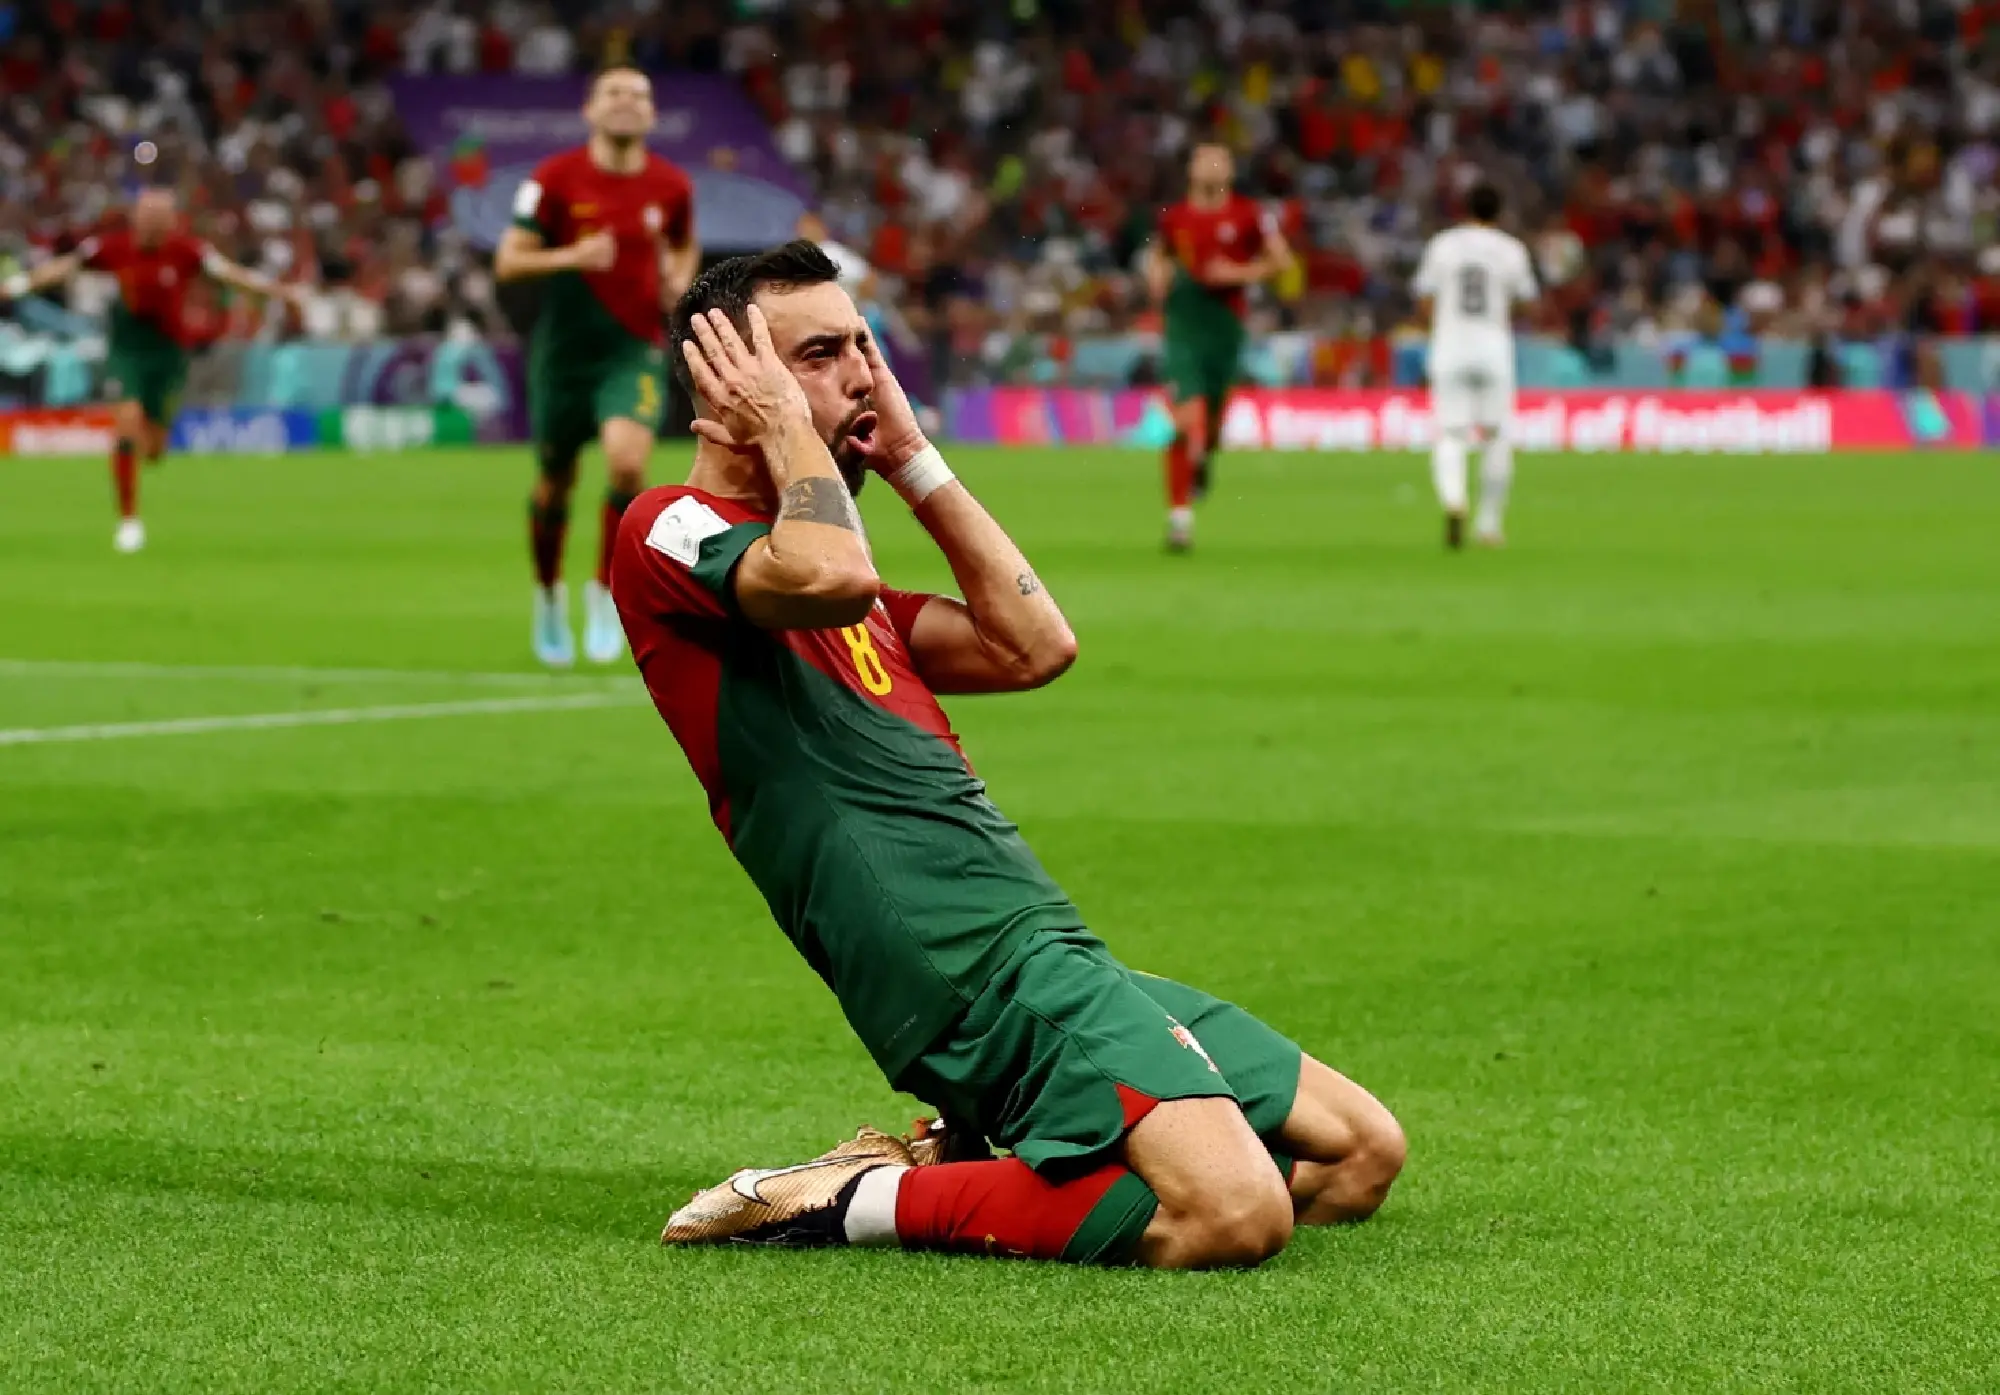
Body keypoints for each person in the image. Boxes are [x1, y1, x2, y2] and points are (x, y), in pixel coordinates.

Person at [610, 241, 1405, 1270]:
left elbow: (1035, 645)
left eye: (864, 346)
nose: (862, 372)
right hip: (953, 962)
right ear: (725, 387)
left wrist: (911, 460)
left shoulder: (849, 592)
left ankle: (988, 1156)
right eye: (817, 354)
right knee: (1230, 1213)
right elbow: (829, 567)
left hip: (1042, 946)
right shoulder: (667, 529)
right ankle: (858, 1199)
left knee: (1357, 1157)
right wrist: (779, 431)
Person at [495, 65, 699, 667]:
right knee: (555, 480)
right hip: (562, 355)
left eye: (640, 94)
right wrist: (573, 255)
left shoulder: (671, 185)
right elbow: (509, 260)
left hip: (630, 348)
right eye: (614, 93)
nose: (627, 103)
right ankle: (548, 595)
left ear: (653, 114)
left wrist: (678, 279)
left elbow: (685, 240)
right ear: (590, 109)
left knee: (627, 464)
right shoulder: (554, 179)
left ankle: (605, 590)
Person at [0, 189, 305, 553]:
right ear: (136, 218)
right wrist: (16, 286)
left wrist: (278, 292)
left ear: (170, 221)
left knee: (155, 449)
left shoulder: (187, 251)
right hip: (127, 350)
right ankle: (129, 521)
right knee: (126, 426)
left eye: (158, 217)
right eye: (145, 216)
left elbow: (230, 274)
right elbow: (64, 267)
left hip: (169, 353)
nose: (150, 224)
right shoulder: (112, 248)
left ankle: (147, 451)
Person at [1144, 142, 1293, 553]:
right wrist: (1156, 279)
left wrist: (1239, 272)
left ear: (1229, 170)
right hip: (1184, 326)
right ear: (1191, 169)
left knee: (1209, 428)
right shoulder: (1175, 218)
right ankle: (1179, 519)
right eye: (1202, 158)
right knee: (1185, 417)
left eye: (1219, 159)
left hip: (1226, 328)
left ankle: (1203, 457)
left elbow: (1282, 263)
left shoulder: (1249, 215)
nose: (1210, 165)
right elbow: (1160, 255)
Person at [1412, 184, 1539, 549]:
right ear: (1499, 212)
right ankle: (1489, 524)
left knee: (1451, 434)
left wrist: (1437, 324)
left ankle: (1454, 500)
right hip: (1493, 348)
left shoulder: (1443, 245)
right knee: (1496, 436)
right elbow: (1528, 302)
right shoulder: (1511, 250)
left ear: (1464, 209)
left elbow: (1424, 297)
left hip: (1450, 345)